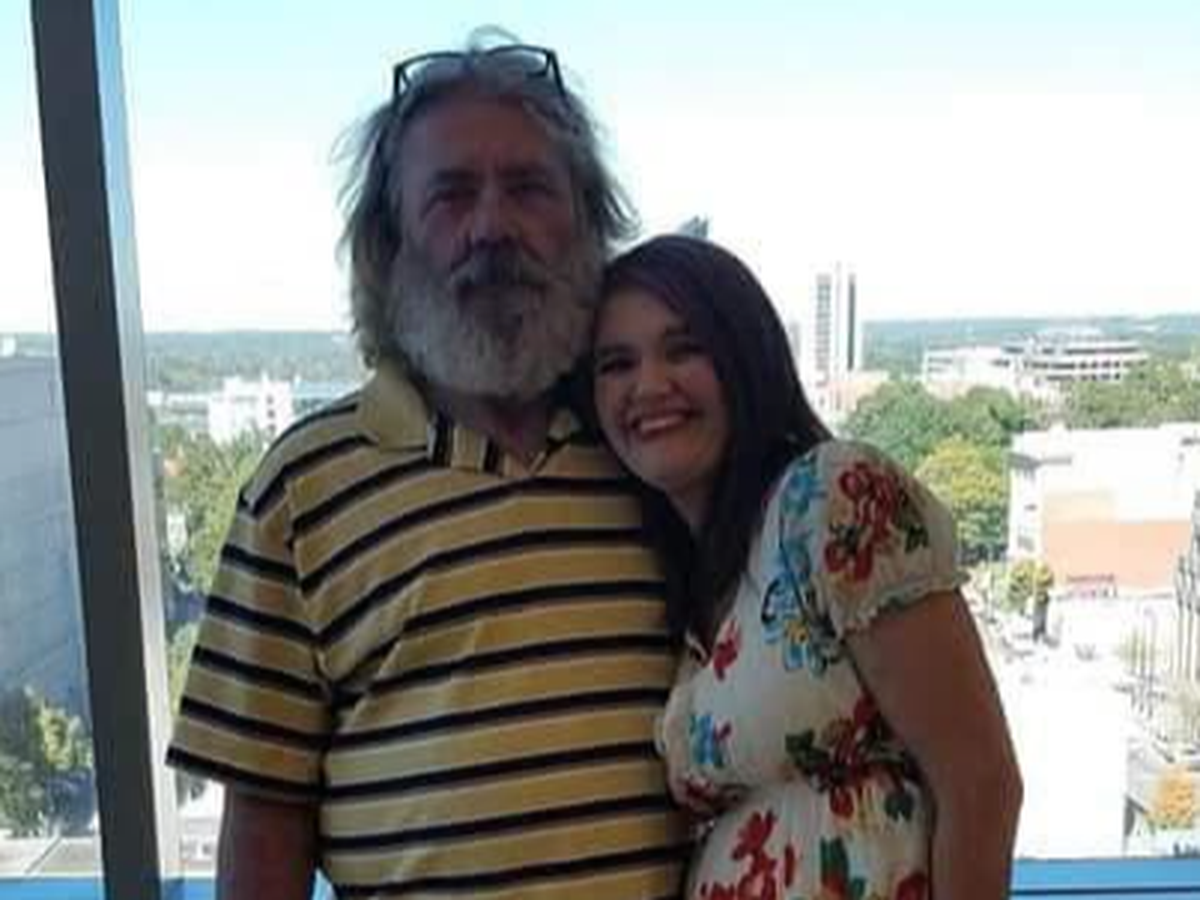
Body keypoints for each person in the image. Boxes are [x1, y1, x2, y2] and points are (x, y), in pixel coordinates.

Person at [167, 36, 688, 899]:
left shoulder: (654, 453)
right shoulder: (302, 489)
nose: (492, 226)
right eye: (450, 195)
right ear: (389, 243)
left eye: (529, 188)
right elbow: (264, 824)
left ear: (588, 225)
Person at [590, 234, 1023, 899]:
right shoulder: (694, 580)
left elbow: (981, 785)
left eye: (684, 349)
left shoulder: (830, 500)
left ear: (745, 356)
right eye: (616, 363)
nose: (648, 385)